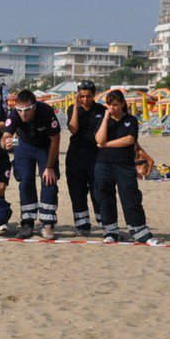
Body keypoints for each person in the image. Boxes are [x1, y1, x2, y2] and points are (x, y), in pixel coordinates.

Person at [93, 90, 157, 245]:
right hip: (104, 164)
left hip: (124, 165)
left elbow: (129, 139)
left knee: (130, 197)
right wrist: (106, 118)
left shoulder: (131, 120)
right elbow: (98, 138)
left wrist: (106, 145)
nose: (112, 108)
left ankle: (139, 231)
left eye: (115, 104)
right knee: (105, 196)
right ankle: (110, 231)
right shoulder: (102, 119)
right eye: (110, 105)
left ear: (122, 104)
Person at [5, 89, 61, 239]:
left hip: (46, 145)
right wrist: (6, 143)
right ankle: (27, 223)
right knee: (25, 180)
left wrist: (49, 167)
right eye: (20, 110)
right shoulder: (14, 113)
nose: (24, 114)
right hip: (24, 145)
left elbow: (56, 140)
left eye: (27, 110)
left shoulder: (47, 112)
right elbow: (5, 136)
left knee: (49, 181)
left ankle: (47, 224)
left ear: (34, 106)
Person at [64, 81, 106, 235]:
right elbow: (73, 129)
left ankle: (104, 222)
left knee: (98, 191)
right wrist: (75, 106)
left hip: (96, 156)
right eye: (82, 96)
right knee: (77, 191)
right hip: (76, 156)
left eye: (88, 96)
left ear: (94, 94)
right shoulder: (72, 109)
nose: (85, 99)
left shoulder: (102, 110)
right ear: (78, 96)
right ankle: (82, 226)